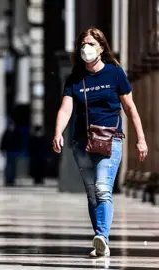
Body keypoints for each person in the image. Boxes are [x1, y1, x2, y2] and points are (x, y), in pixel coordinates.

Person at [53, 27, 148, 257]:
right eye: (83, 44)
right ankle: (100, 237)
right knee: (92, 192)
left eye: (92, 44)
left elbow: (130, 108)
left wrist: (141, 138)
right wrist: (58, 133)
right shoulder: (75, 77)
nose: (87, 48)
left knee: (103, 188)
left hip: (110, 138)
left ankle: (102, 237)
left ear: (102, 48)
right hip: (82, 142)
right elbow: (66, 109)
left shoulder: (115, 74)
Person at [0, 120, 22, 186]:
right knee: (8, 166)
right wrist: (2, 150)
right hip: (8, 151)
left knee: (14, 166)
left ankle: (12, 179)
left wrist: (19, 150)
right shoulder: (7, 133)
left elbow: (19, 142)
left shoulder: (17, 133)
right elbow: (3, 142)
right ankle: (8, 179)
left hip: (14, 151)